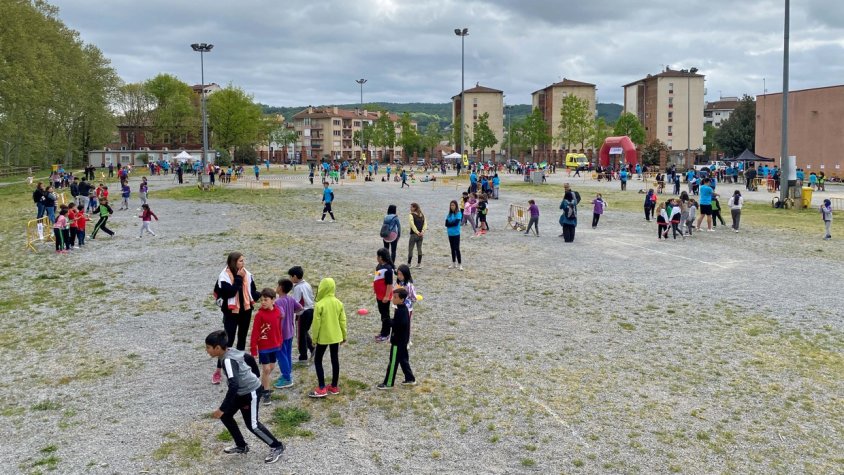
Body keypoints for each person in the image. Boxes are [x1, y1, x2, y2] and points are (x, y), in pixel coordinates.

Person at [205, 330, 285, 463]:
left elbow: (234, 385)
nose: (206, 350)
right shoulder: (230, 351)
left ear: (217, 348)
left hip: (250, 392)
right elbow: (248, 357)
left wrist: (222, 408)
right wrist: (255, 374)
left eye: (208, 347)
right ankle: (241, 446)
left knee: (252, 425)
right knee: (226, 416)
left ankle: (277, 446)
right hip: (241, 392)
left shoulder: (228, 360)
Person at [211, 252, 260, 385]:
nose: (243, 263)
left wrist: (261, 295)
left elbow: (252, 291)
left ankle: (239, 365)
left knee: (242, 339)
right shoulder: (224, 277)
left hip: (245, 311)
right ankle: (218, 370)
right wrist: (238, 278)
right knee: (227, 341)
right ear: (233, 262)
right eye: (240, 261)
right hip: (231, 312)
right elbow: (231, 292)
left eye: (243, 260)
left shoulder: (247, 274)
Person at [307, 277, 347, 398]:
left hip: (323, 338)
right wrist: (344, 336)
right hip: (336, 337)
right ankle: (334, 386)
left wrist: (314, 339)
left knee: (318, 360)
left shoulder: (319, 304)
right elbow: (343, 321)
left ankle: (321, 387)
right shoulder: (339, 303)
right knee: (335, 359)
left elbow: (316, 325)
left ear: (322, 288)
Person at [377, 288, 416, 389]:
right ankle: (410, 378)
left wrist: (388, 321)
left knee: (393, 362)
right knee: (403, 359)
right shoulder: (402, 309)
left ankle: (388, 383)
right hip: (403, 340)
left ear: (402, 299)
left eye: (395, 297)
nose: (393, 299)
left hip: (398, 342)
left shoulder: (401, 311)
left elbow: (399, 324)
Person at [249, 288, 283, 405]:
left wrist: (280, 340)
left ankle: (262, 387)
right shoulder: (259, 315)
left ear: (273, 300)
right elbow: (255, 333)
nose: (263, 302)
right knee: (266, 369)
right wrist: (253, 348)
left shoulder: (278, 312)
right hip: (263, 347)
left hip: (275, 345)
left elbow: (278, 328)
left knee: (271, 367)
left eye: (265, 300)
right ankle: (266, 393)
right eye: (261, 300)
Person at [273, 279, 302, 389]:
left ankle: (286, 378)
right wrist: (291, 312)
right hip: (290, 331)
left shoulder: (278, 302)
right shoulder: (291, 299)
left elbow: (281, 314)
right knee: (288, 354)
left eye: (277, 285)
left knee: (281, 356)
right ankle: (287, 374)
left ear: (280, 287)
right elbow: (300, 308)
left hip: (281, 334)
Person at [288, 266, 315, 363]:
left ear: (295, 276)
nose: (290, 279)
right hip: (311, 310)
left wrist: (292, 312)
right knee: (304, 331)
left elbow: (297, 302)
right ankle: (312, 348)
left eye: (290, 277)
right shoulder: (307, 284)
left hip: (302, 313)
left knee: (300, 335)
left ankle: (303, 356)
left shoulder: (298, 288)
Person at [373, 248, 395, 342]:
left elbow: (389, 284)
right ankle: (383, 332)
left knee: (385, 315)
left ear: (381, 257)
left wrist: (386, 296)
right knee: (382, 313)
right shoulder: (378, 266)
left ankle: (386, 334)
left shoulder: (388, 269)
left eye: (377, 256)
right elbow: (377, 278)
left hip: (384, 296)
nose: (376, 258)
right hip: (379, 295)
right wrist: (375, 288)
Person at [407, 203, 427, 268]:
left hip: (414, 234)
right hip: (421, 235)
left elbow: (412, 224)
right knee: (419, 249)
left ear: (415, 208)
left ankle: (409, 263)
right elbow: (425, 224)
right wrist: (422, 231)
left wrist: (417, 232)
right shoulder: (422, 215)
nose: (410, 208)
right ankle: (419, 264)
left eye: (411, 207)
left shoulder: (411, 215)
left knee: (410, 249)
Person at [445, 200, 463, 270]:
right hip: (450, 234)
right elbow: (446, 224)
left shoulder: (458, 213)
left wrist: (450, 224)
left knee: (457, 248)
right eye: (451, 205)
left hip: (456, 233)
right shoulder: (449, 214)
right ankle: (453, 263)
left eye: (453, 205)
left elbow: (456, 223)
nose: (452, 206)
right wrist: (450, 224)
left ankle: (460, 264)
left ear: (456, 206)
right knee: (452, 248)